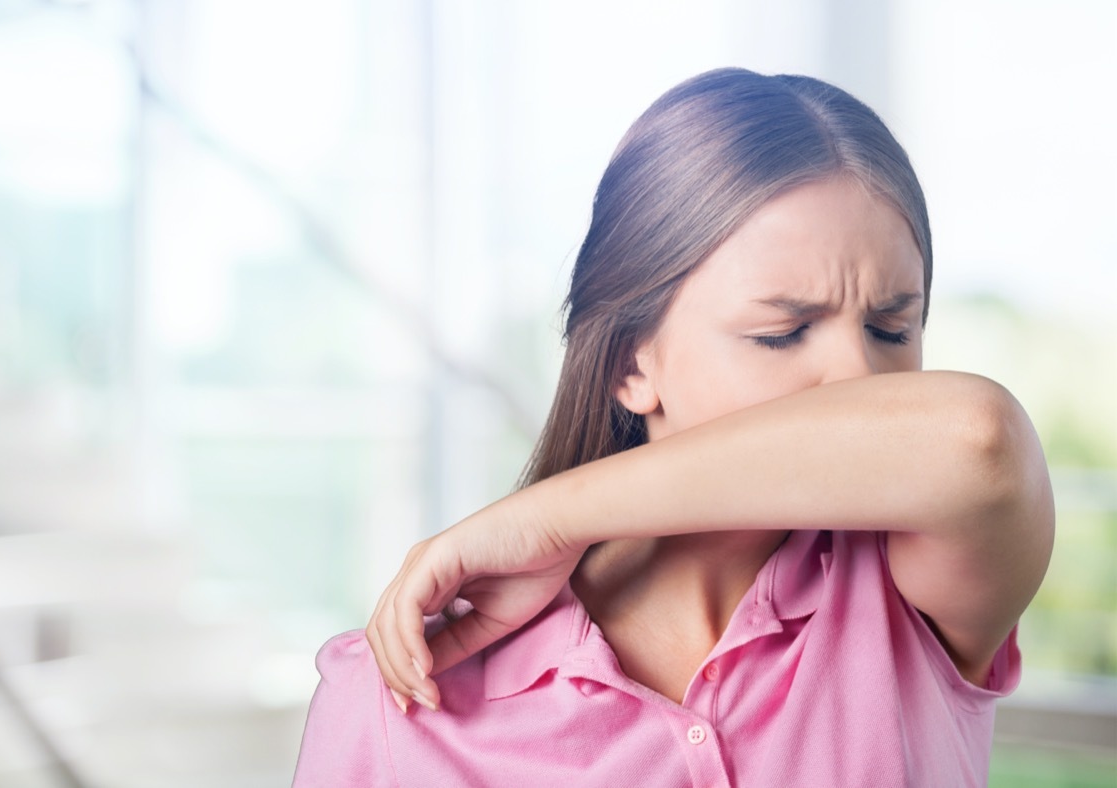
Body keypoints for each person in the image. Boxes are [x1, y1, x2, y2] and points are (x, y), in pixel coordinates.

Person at [292, 67, 1054, 787]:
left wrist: (548, 517)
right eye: (782, 333)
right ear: (631, 364)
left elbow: (977, 441)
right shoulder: (396, 698)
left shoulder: (910, 591)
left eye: (892, 328)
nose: (860, 383)